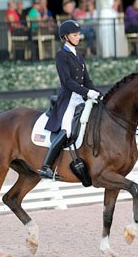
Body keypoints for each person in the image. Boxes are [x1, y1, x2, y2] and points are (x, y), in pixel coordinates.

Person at [39, 20, 101, 179]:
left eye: (79, 34)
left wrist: (96, 93)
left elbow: (87, 80)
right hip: (68, 100)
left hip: (81, 97)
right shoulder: (61, 56)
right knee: (67, 130)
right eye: (75, 35)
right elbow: (67, 81)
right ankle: (46, 167)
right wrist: (87, 92)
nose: (78, 37)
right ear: (66, 37)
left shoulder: (79, 56)